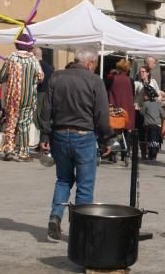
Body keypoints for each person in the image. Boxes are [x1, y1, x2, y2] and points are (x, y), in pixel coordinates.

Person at [39, 47, 113, 241]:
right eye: (94, 65)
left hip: (60, 135)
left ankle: (55, 217)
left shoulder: (56, 77)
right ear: (90, 63)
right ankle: (80, 229)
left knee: (63, 180)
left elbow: (46, 109)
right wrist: (107, 138)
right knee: (85, 185)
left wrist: (45, 136)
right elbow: (102, 114)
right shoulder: (95, 81)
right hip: (84, 136)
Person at [0, 33, 44, 161]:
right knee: (24, 124)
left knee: (11, 122)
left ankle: (9, 150)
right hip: (29, 97)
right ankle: (23, 152)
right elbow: (41, 77)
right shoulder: (33, 60)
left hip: (12, 96)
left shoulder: (11, 58)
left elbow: (1, 77)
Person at [107, 58, 135, 166]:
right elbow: (132, 93)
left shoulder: (112, 78)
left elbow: (107, 90)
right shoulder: (130, 80)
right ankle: (126, 153)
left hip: (115, 108)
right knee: (126, 132)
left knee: (115, 130)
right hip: (127, 109)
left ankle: (114, 151)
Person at [140, 83, 165, 161]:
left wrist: (139, 108)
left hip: (149, 126)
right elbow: (163, 113)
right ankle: (154, 154)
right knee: (156, 140)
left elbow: (142, 113)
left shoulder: (145, 104)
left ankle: (151, 155)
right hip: (157, 126)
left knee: (150, 140)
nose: (143, 96)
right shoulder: (157, 104)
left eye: (145, 94)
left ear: (148, 96)